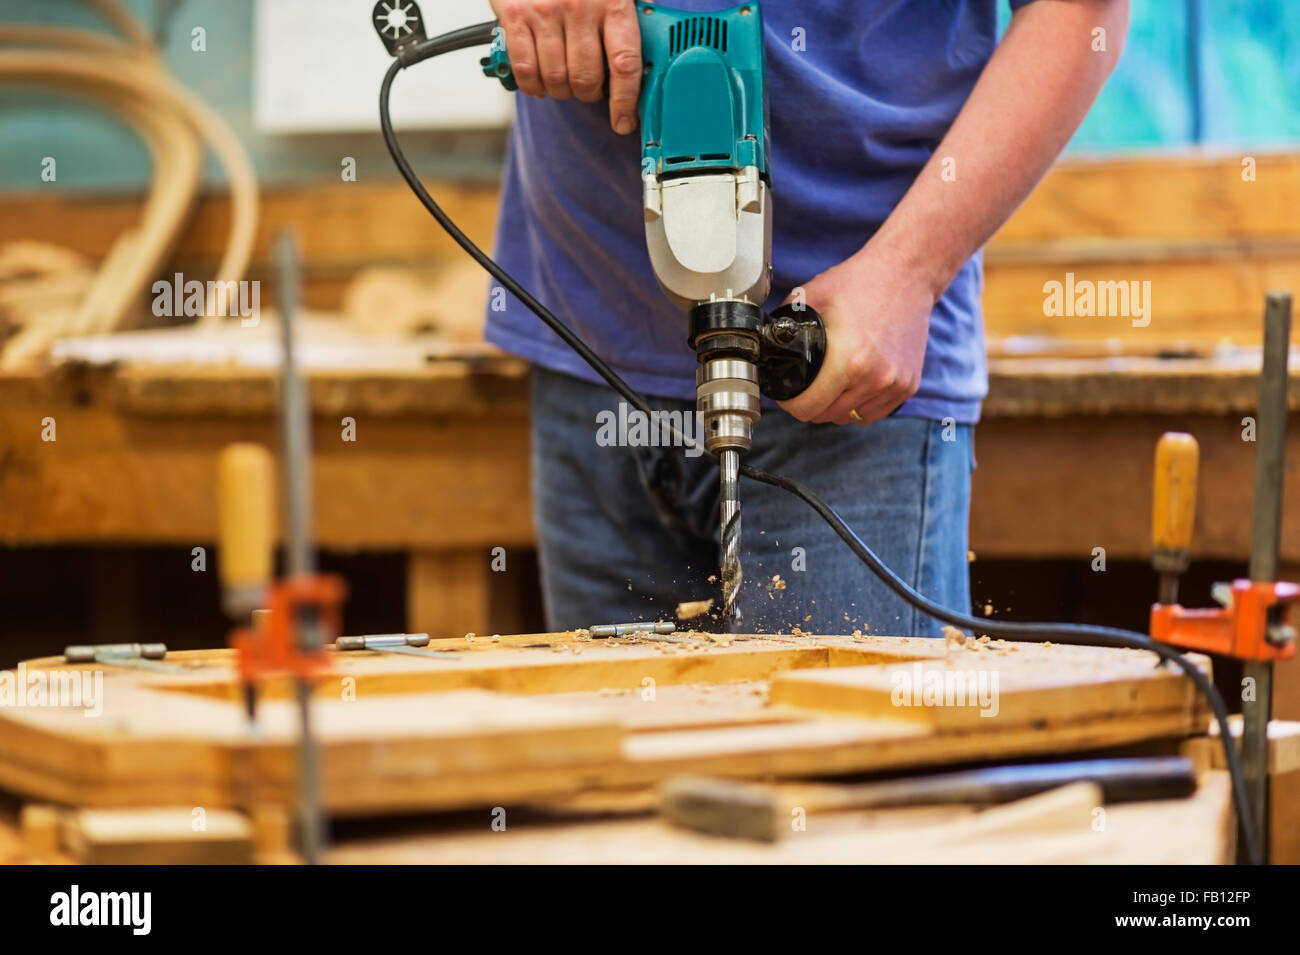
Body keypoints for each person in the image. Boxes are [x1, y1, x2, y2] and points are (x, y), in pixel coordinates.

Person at [484, 0, 1128, 635]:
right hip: (584, 336)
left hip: (849, 371)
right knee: (604, 738)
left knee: (854, 736)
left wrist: (911, 271)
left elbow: (1083, 11)